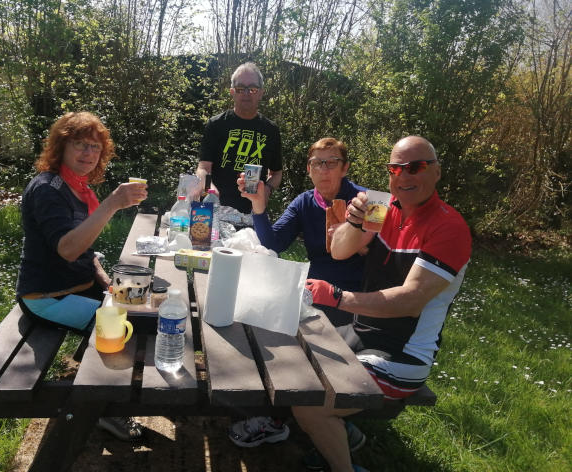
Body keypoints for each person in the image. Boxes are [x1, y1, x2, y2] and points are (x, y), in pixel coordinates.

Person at [302, 136, 472, 472]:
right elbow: (340, 251)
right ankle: (341, 434)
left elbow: (410, 301)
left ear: (437, 172)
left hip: (401, 356)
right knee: (293, 357)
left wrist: (337, 297)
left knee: (308, 400)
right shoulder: (384, 207)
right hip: (360, 333)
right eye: (396, 168)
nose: (404, 176)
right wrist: (353, 222)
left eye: (416, 167)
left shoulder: (449, 227)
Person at [228, 138, 368, 451]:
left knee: (289, 339)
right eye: (317, 163)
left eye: (332, 162)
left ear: (345, 168)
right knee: (255, 315)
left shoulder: (362, 202)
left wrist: (364, 244)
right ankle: (286, 409)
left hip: (353, 298)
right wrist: (259, 206)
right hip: (314, 291)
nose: (324, 169)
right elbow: (273, 243)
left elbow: (386, 254)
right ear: (308, 169)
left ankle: (280, 419)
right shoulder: (306, 202)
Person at [15, 111, 147, 441]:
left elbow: (85, 249)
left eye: (95, 147)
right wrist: (112, 203)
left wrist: (104, 279)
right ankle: (104, 411)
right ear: (61, 146)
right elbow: (68, 249)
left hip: (80, 284)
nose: (88, 153)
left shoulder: (77, 187)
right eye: (80, 144)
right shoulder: (47, 189)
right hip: (47, 297)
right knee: (123, 331)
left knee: (140, 304)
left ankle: (100, 375)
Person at [196, 62, 283, 213]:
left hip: (254, 212)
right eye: (240, 88)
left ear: (261, 93)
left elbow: (276, 173)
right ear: (232, 92)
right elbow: (203, 168)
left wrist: (268, 188)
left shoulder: (271, 130)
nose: (246, 93)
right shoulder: (216, 124)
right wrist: (210, 189)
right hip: (217, 209)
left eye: (253, 89)